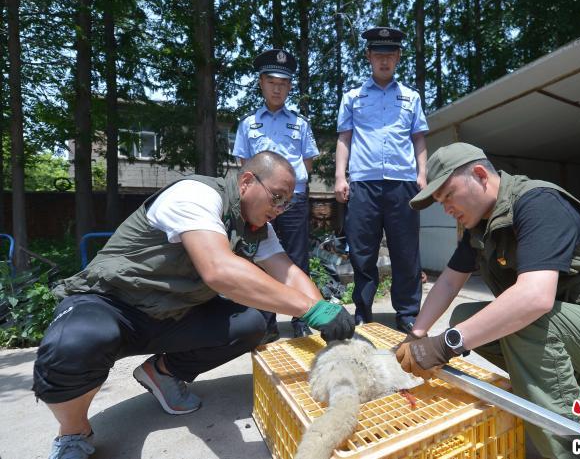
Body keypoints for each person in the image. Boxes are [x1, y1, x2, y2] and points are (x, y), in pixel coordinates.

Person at [33, 151, 355, 459]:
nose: (282, 208)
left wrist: (328, 314)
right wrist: (308, 309)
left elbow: (288, 273)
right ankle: (73, 433)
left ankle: (163, 372)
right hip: (112, 304)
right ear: (246, 182)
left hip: (173, 316)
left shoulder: (258, 229)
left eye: (288, 201)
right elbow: (218, 270)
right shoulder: (197, 194)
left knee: (255, 323)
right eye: (277, 197)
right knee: (74, 344)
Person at [395, 142, 580, 458]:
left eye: (448, 195)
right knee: (466, 316)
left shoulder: (538, 203)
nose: (446, 208)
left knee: (521, 318)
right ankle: (568, 384)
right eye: (438, 201)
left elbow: (534, 298)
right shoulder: (481, 225)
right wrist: (416, 335)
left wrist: (446, 344)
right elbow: (449, 281)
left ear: (479, 175)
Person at [334, 27, 429, 333]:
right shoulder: (353, 97)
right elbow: (344, 139)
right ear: (369, 57)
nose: (384, 61)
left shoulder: (411, 97)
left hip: (403, 183)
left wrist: (422, 175)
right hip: (363, 183)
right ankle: (363, 312)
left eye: (390, 55)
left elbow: (419, 140)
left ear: (398, 57)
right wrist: (340, 176)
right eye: (379, 55)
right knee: (363, 252)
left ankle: (408, 313)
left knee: (406, 251)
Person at [233, 48, 319, 341]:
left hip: (293, 201)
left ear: (290, 87)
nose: (277, 88)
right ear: (261, 83)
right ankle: (265, 322)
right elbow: (243, 165)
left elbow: (306, 165)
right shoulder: (248, 124)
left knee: (295, 258)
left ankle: (301, 318)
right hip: (259, 203)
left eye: (283, 84)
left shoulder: (300, 124)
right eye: (272, 82)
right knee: (259, 258)